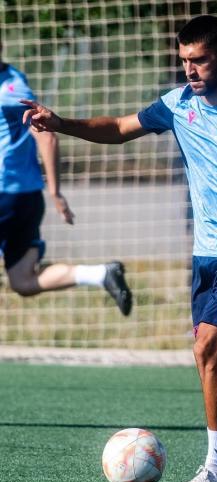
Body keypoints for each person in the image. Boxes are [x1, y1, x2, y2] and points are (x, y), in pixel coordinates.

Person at [22, 15, 217, 482]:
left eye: (200, 60)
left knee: (207, 350)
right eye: (184, 59)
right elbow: (120, 127)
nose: (190, 69)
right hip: (205, 256)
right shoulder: (178, 104)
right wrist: (60, 123)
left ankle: (216, 472)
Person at [0, 38, 131, 315]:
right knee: (23, 280)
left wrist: (56, 191)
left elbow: (46, 135)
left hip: (7, 194)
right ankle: (99, 274)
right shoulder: (15, 81)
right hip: (24, 196)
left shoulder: (11, 89)